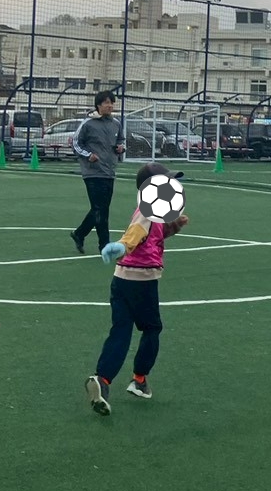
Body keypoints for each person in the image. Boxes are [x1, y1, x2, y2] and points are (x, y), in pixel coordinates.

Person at [85, 164, 189, 415]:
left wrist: (173, 227)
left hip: (121, 279)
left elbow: (151, 236)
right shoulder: (146, 212)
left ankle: (102, 380)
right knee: (152, 328)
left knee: (121, 331)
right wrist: (122, 246)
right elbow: (136, 233)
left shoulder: (153, 213)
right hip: (142, 280)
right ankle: (139, 379)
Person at [70, 91, 125, 254]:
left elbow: (121, 141)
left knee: (101, 209)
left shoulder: (116, 123)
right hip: (92, 172)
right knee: (99, 209)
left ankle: (79, 234)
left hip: (109, 171)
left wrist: (121, 148)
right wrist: (88, 155)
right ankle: (104, 245)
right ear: (98, 105)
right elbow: (76, 143)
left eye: (112, 103)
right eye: (106, 102)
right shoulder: (88, 123)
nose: (110, 106)